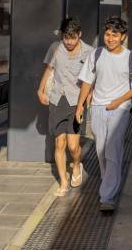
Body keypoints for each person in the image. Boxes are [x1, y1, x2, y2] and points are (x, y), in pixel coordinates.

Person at [76, 16, 132, 212]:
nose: (110, 38)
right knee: (100, 148)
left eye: (115, 35)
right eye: (107, 34)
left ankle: (107, 196)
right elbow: (87, 81)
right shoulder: (96, 55)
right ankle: (108, 181)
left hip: (119, 109)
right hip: (97, 107)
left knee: (112, 148)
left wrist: (118, 102)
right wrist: (80, 105)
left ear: (123, 36)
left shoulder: (131, 59)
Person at [37, 18, 93, 196]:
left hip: (76, 102)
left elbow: (91, 79)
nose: (69, 42)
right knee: (59, 143)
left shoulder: (89, 52)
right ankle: (63, 182)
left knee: (73, 146)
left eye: (72, 38)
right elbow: (49, 69)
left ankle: (76, 165)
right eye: (66, 38)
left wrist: (88, 99)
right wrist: (40, 90)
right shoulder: (55, 47)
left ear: (79, 35)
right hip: (57, 99)